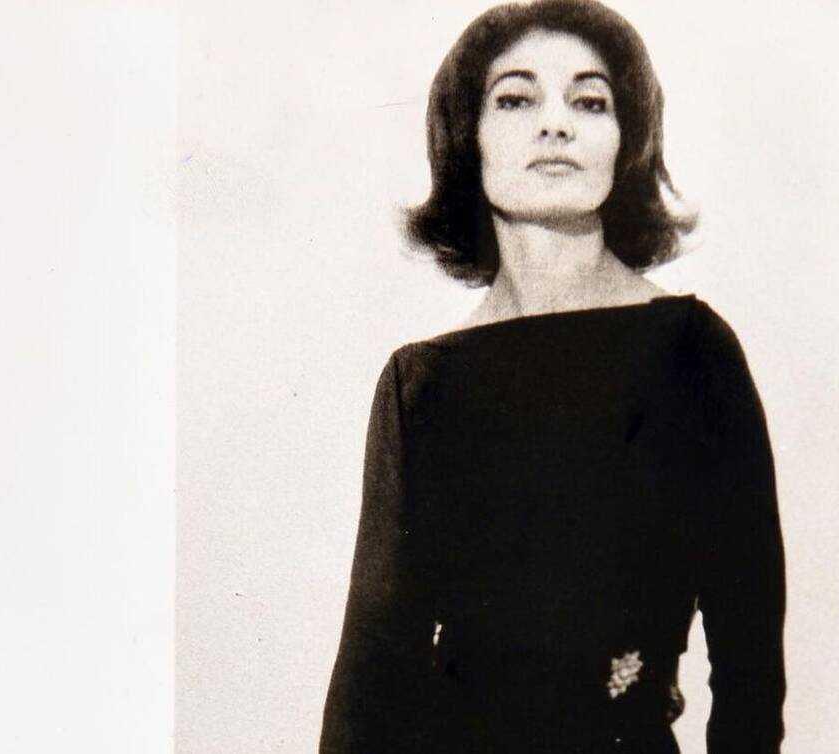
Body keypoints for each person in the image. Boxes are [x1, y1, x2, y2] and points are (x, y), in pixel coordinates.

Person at [319, 1, 786, 752]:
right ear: (468, 138)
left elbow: (750, 668)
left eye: (590, 101)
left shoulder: (691, 353)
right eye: (516, 99)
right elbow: (371, 678)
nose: (555, 125)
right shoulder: (422, 384)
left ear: (626, 140)